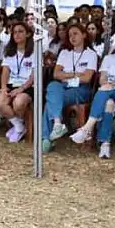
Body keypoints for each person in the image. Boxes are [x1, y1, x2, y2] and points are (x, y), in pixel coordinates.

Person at [70, 28, 115, 158]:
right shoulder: (109, 58)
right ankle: (105, 144)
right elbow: (102, 79)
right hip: (107, 92)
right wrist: (109, 85)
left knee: (106, 91)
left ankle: (87, 128)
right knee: (108, 103)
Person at [42, 23, 98, 153]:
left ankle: (46, 138)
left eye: (75, 33)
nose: (72, 37)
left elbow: (87, 78)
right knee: (52, 86)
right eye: (70, 35)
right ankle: (56, 124)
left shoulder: (91, 54)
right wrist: (76, 74)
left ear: (84, 35)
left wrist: (66, 75)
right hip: (63, 86)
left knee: (52, 101)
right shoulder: (65, 53)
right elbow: (56, 74)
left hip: (81, 89)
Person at [0, 22, 37, 143]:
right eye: (14, 32)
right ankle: (19, 126)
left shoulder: (34, 53)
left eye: (20, 31)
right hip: (11, 84)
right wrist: (3, 87)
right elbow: (5, 72)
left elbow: (34, 76)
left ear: (28, 34)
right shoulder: (9, 52)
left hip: (27, 86)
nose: (17, 35)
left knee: (19, 102)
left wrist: (21, 89)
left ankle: (19, 126)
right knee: (0, 101)